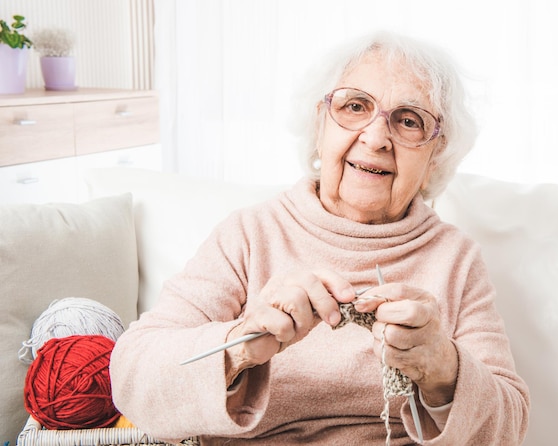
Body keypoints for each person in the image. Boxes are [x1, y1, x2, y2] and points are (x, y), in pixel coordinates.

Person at [110, 31, 530, 445]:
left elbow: (508, 426)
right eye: (354, 106)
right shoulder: (249, 235)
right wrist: (238, 346)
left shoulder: (455, 258)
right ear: (319, 124)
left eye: (408, 121)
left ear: (436, 154)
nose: (376, 138)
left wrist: (443, 368)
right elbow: (133, 378)